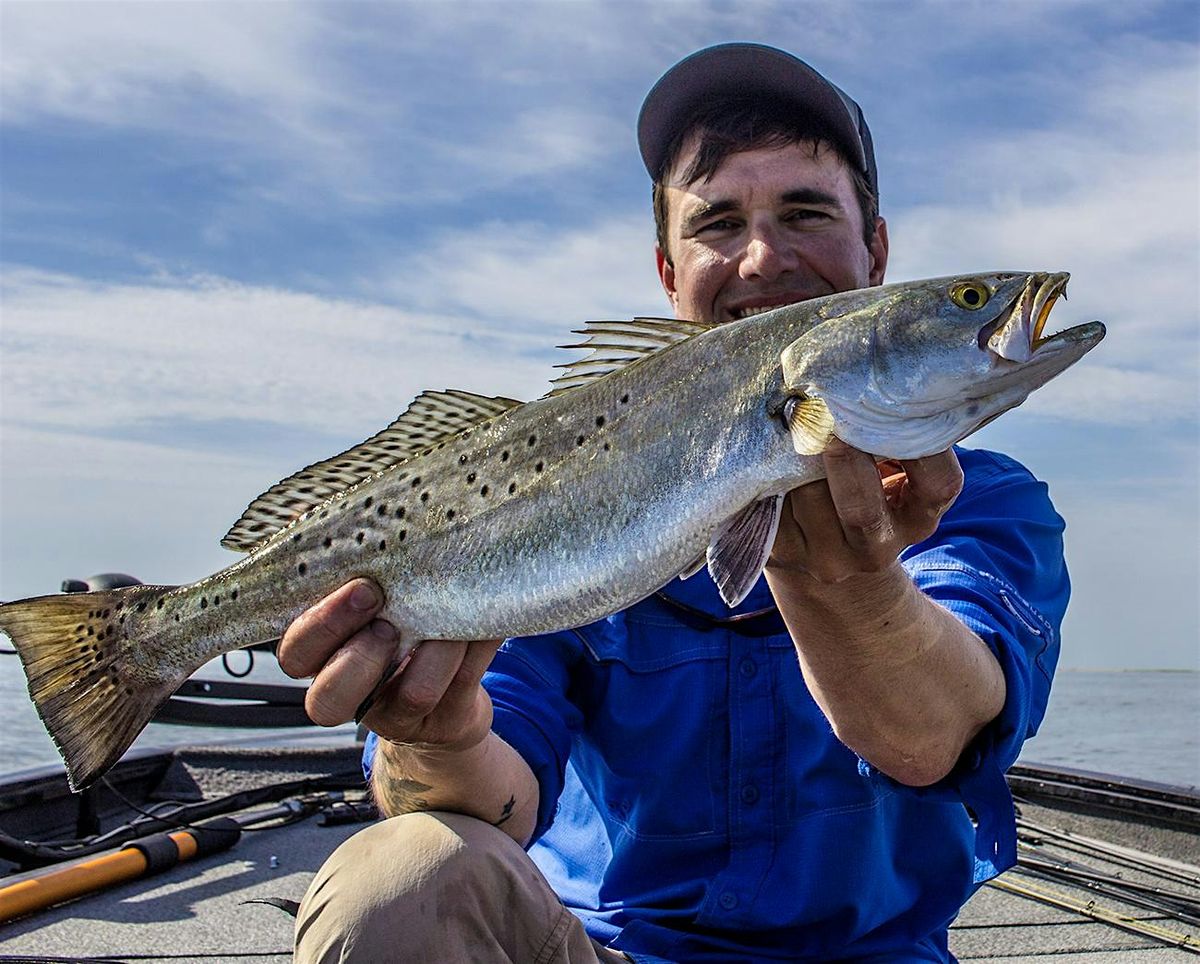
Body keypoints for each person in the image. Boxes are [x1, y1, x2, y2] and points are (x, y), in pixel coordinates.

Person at [288, 43, 1068, 963]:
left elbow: (932, 742)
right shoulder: (572, 491)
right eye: (719, 223)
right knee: (397, 883)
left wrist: (852, 589)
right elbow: (492, 798)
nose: (764, 255)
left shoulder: (984, 502)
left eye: (806, 211)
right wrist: (440, 736)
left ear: (878, 253)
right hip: (612, 951)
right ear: (669, 272)